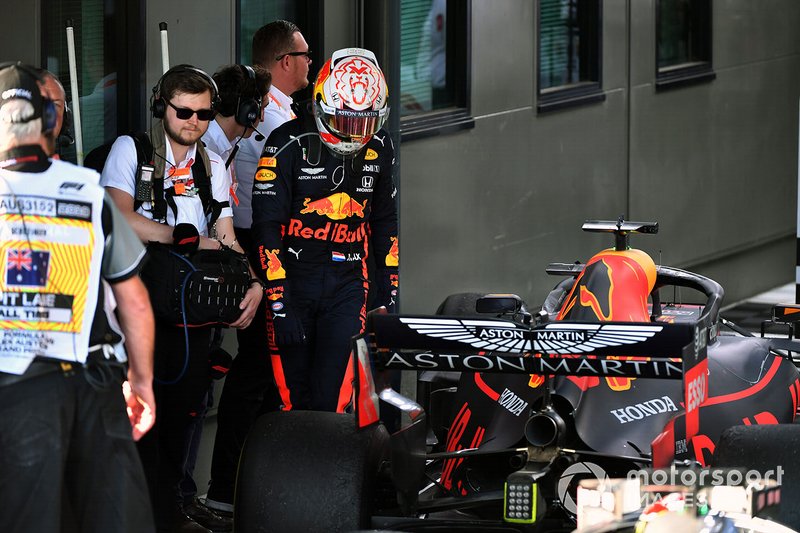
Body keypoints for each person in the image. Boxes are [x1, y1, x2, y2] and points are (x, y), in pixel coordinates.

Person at [100, 64, 263, 532]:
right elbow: (117, 214)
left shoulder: (212, 163)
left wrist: (252, 281)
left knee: (184, 417)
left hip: (193, 318)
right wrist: (178, 236)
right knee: (140, 421)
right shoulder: (132, 149)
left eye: (204, 113)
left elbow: (226, 234)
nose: (193, 121)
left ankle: (169, 511)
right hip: (138, 310)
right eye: (183, 111)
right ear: (161, 107)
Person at [0, 62, 155, 532]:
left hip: (16, 389)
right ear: (52, 122)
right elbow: (135, 302)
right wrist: (142, 382)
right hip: (95, 381)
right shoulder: (89, 193)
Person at [201, 21, 313, 518]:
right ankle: (227, 489)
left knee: (268, 373)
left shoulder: (277, 112)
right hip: (251, 245)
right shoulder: (269, 115)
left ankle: (251, 489)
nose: (312, 63)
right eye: (306, 55)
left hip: (249, 245)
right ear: (285, 60)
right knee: (257, 371)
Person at [251, 47, 399, 413]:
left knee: (333, 401)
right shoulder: (284, 143)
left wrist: (389, 296)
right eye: (345, 121)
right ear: (321, 104)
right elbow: (267, 227)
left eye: (364, 123)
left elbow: (385, 223)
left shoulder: (381, 146)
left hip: (348, 284)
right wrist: (280, 302)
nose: (354, 132)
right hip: (293, 284)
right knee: (292, 403)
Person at [182, 63, 270, 530]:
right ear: (249, 109)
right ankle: (185, 496)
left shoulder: (222, 148)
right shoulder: (209, 150)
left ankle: (190, 495)